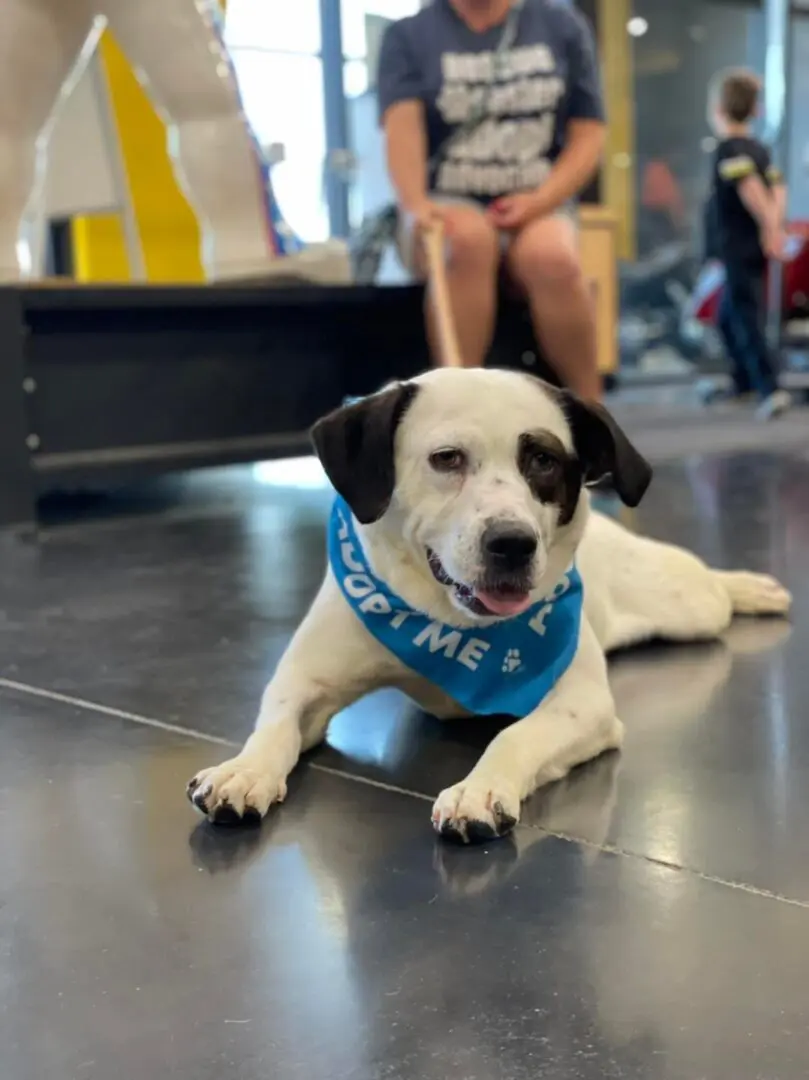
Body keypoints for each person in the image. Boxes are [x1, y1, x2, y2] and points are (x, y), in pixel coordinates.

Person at [377, 0, 606, 400]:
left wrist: (540, 200)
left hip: (537, 198)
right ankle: (459, 409)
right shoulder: (409, 36)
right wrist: (416, 206)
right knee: (467, 240)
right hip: (447, 197)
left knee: (553, 257)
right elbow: (402, 132)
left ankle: (594, 415)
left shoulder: (561, 26)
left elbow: (589, 134)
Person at [709, 69, 790, 420]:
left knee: (746, 317)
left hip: (740, 248)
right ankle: (742, 382)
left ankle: (770, 387)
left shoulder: (730, 150)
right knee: (727, 317)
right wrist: (775, 223)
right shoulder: (760, 149)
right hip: (745, 249)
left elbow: (752, 191)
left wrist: (770, 228)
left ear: (719, 108)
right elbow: (778, 189)